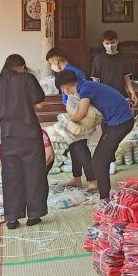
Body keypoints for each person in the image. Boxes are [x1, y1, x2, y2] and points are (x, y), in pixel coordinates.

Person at [0, 55, 50, 230]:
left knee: (11, 178)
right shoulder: (27, 78)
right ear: (22, 67)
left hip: (8, 137)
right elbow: (40, 104)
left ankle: (12, 218)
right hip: (30, 135)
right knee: (34, 174)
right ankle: (34, 215)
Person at [55, 69, 134, 203]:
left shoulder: (85, 89)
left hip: (120, 122)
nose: (65, 92)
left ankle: (104, 198)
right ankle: (105, 191)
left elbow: (82, 113)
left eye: (63, 90)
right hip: (114, 121)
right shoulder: (85, 85)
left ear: (65, 88)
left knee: (98, 161)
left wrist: (66, 121)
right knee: (103, 156)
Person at [46, 47, 94, 190]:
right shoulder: (69, 71)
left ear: (56, 60)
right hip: (73, 113)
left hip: (79, 113)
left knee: (80, 147)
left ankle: (93, 181)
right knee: (73, 146)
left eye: (51, 62)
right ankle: (77, 178)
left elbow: (80, 96)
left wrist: (75, 117)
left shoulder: (73, 72)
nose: (52, 66)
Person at [91, 30, 138, 108]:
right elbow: (95, 80)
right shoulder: (98, 59)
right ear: (103, 43)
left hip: (121, 94)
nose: (110, 45)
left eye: (112, 42)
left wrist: (132, 92)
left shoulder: (123, 57)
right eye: (107, 43)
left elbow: (126, 77)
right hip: (105, 96)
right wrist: (98, 95)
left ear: (117, 41)